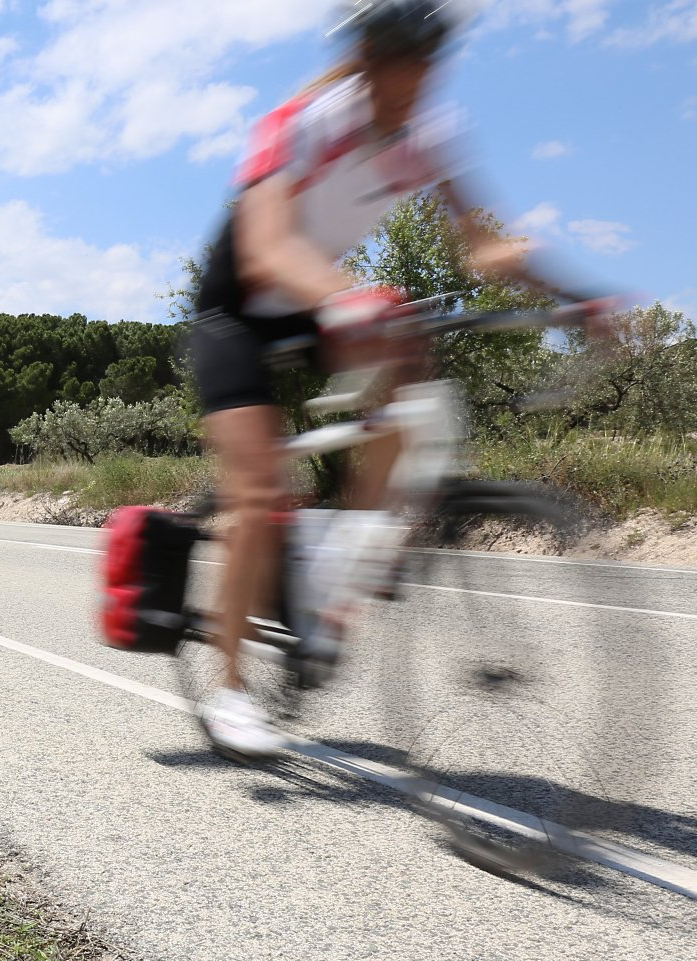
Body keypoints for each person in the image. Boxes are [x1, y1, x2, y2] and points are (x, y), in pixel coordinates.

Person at [189, 0, 560, 759]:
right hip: (236, 310)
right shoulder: (301, 122)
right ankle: (230, 693)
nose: (416, 74)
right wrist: (348, 295)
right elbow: (264, 251)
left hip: (314, 304)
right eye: (401, 55)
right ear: (365, 57)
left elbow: (482, 246)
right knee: (261, 493)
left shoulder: (430, 138)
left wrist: (577, 297)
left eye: (428, 56)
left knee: (412, 375)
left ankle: (343, 563)